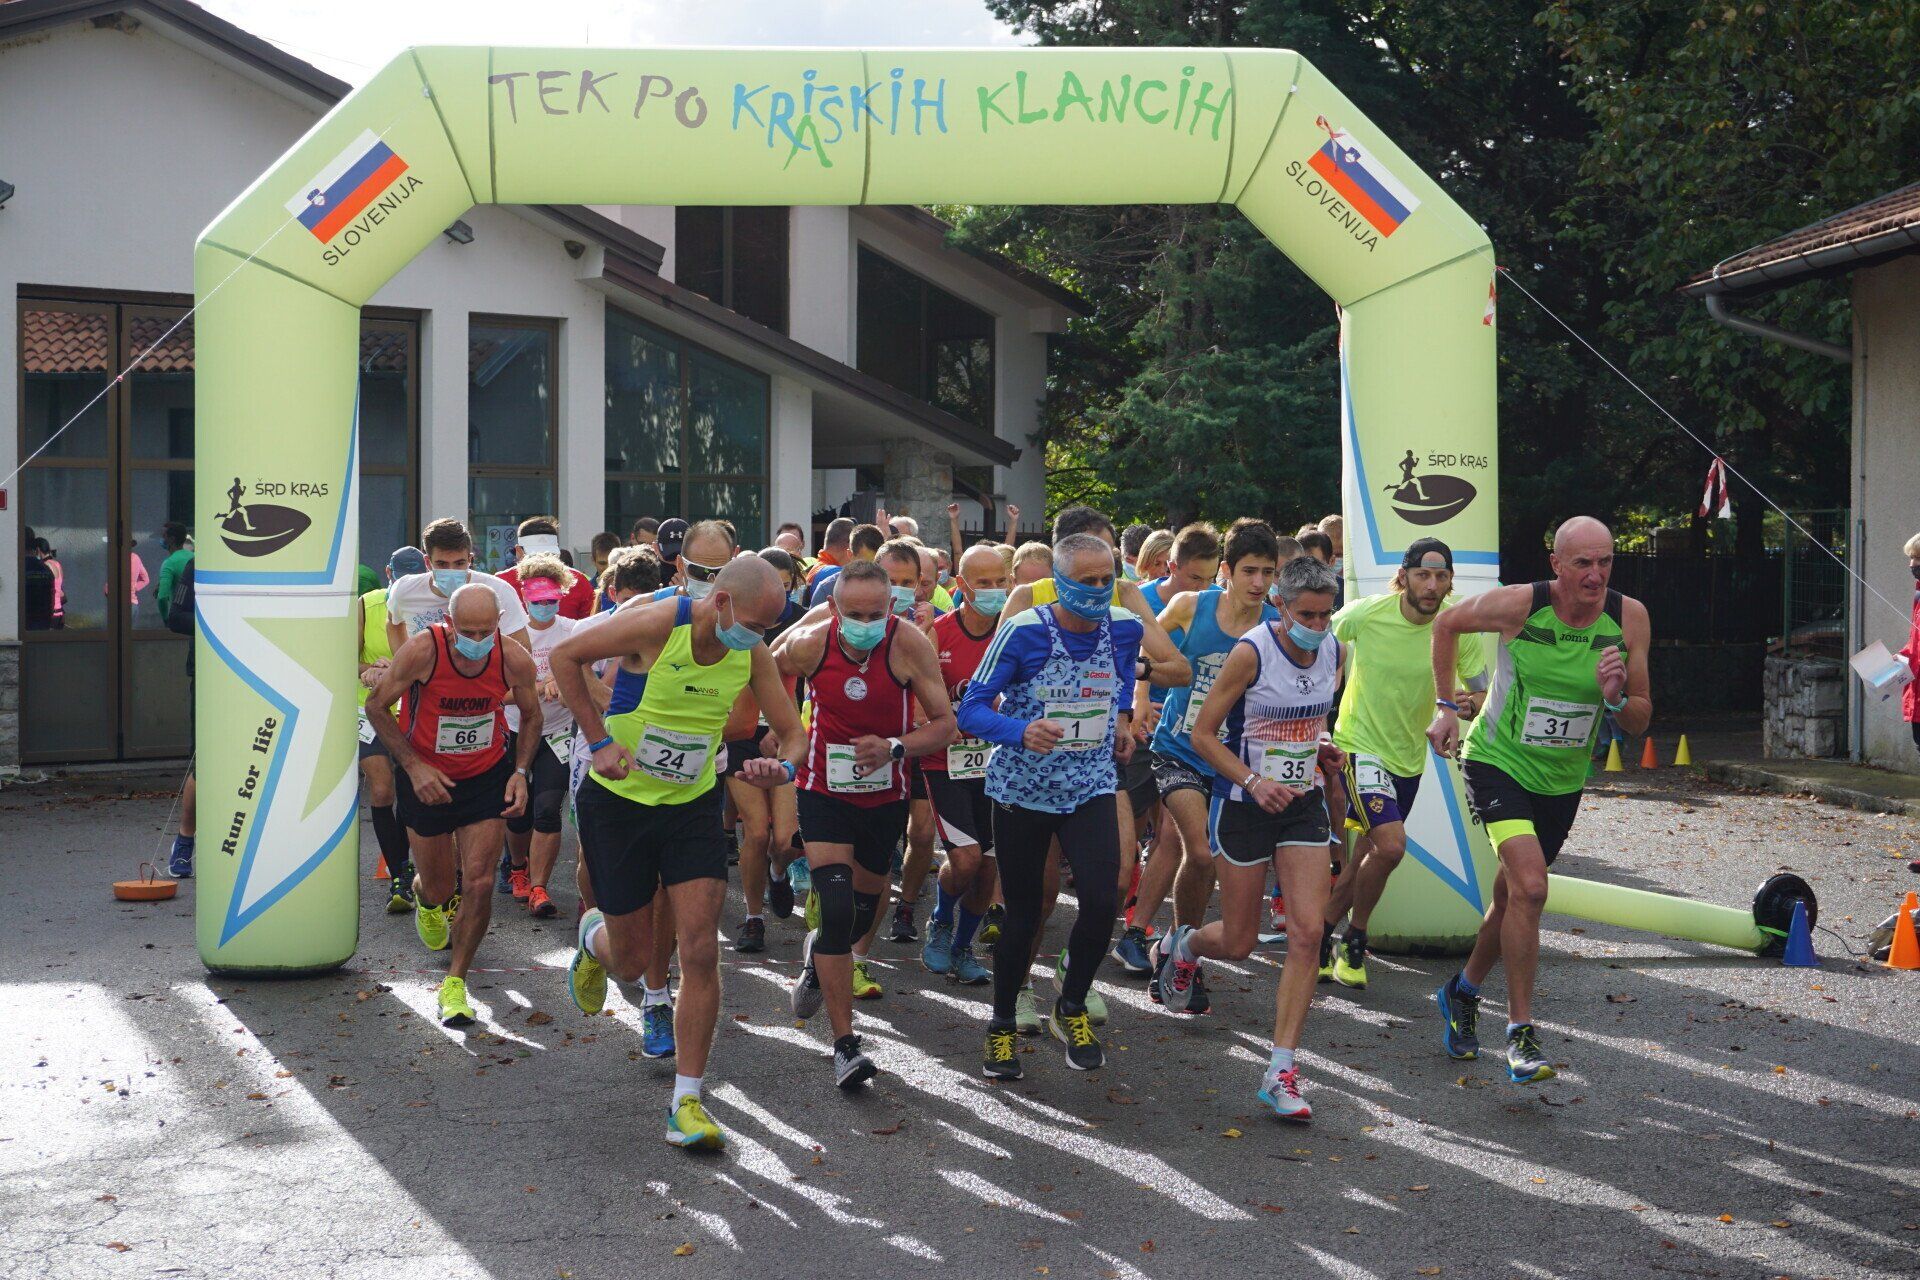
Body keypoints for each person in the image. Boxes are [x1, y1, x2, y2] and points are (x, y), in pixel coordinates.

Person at [553, 554, 802, 1151]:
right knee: (632, 962)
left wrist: (783, 767)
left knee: (700, 949)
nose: (758, 637)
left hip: (691, 806)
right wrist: (599, 739)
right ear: (722, 601)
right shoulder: (660, 624)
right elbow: (565, 656)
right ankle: (593, 935)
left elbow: (793, 732)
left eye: (768, 628)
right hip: (620, 803)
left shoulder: (752, 653)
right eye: (753, 625)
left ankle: (686, 1101)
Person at [1428, 517, 1651, 1084]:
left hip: (1562, 780)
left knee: (1511, 898)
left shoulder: (1629, 617)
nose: (1596, 575)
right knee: (1530, 887)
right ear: (1556, 564)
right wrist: (1446, 707)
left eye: (1605, 562)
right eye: (1583, 563)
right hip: (1497, 761)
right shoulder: (1521, 606)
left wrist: (1616, 697)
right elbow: (1447, 623)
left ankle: (1462, 991)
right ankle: (1520, 1033)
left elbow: (1640, 717)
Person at [959, 532, 1145, 1079]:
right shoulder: (1024, 631)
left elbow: (1121, 685)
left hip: (1090, 786)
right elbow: (971, 710)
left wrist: (1120, 723)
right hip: (1023, 791)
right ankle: (1000, 1026)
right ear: (1058, 583)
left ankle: (1072, 1005)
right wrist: (1020, 731)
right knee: (1023, 916)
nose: (1098, 589)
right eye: (1086, 581)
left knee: (1102, 901)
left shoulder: (1125, 628)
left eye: (1106, 579)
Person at [773, 560, 955, 1087]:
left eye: (876, 614)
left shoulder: (908, 644)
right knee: (834, 906)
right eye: (855, 614)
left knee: (861, 908)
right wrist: (784, 726)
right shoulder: (811, 642)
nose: (866, 624)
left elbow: (946, 724)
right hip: (822, 790)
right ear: (833, 609)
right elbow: (770, 665)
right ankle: (845, 1044)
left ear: (891, 608)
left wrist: (895, 747)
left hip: (885, 795)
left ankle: (819, 960)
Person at [1178, 554, 1346, 1120]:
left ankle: (1282, 1068)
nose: (1317, 626)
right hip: (1243, 804)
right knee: (1239, 942)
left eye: (1325, 615)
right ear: (1280, 605)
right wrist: (1253, 781)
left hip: (1302, 805)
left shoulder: (1335, 650)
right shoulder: (1251, 652)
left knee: (1307, 933)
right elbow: (1203, 735)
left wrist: (1321, 748)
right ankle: (1182, 947)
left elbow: (1311, 720)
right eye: (1307, 615)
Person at [363, 584, 542, 1027]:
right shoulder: (424, 651)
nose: (477, 640)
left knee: (479, 882)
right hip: (426, 777)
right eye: (468, 631)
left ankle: (455, 982)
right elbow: (377, 706)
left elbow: (532, 714)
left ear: (498, 624)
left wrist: (520, 771)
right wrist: (412, 766)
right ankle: (427, 898)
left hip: (484, 776)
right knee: (441, 888)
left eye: (486, 631)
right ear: (449, 622)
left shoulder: (512, 657)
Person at [1318, 538, 1486, 988]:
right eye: (1422, 575)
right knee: (1391, 847)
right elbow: (1314, 642)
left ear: (1450, 582)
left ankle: (1320, 935)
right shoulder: (1366, 613)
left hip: (1408, 760)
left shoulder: (1457, 628)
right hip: (1358, 745)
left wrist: (1466, 706)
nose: (1431, 585)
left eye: (1441, 577)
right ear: (1404, 576)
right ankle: (1356, 939)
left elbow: (1480, 692)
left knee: (1370, 854)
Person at [1141, 521, 1282, 1015]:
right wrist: (1139, 697)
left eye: (1268, 572)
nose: (1258, 582)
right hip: (1178, 749)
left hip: (1233, 761)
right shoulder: (1191, 606)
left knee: (1214, 861)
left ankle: (1178, 949)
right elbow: (1146, 648)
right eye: (1249, 571)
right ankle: (1186, 953)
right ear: (1227, 570)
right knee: (1198, 851)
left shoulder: (1276, 626)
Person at [1115, 522, 1223, 973]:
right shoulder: (1142, 600)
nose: (1202, 588)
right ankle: (1111, 923)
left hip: (1188, 739)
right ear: (1170, 566)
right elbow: (1128, 659)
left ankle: (1142, 935)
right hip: (1140, 730)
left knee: (1175, 838)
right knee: (1127, 845)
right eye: (1194, 577)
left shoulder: (1218, 605)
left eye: (1210, 579)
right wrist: (1138, 704)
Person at [919, 543, 1010, 984]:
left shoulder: (1013, 633)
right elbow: (919, 702)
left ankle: (962, 946)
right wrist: (946, 717)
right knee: (967, 859)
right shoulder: (937, 633)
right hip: (947, 762)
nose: (994, 590)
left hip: (997, 764)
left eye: (1000, 581)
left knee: (988, 866)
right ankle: (940, 921)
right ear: (961, 585)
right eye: (983, 583)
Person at [502, 556, 578, 917]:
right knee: (517, 811)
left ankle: (538, 887)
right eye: (538, 601)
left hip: (558, 733)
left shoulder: (573, 631)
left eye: (552, 600)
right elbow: (496, 693)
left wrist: (563, 681)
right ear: (524, 598)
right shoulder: (510, 635)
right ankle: (517, 868)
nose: (545, 607)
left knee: (547, 811)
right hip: (514, 730)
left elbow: (588, 675)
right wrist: (534, 688)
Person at [357, 546, 426, 913]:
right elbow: (346, 659)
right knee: (382, 790)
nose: (405, 587)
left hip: (415, 709)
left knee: (411, 793)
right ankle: (399, 874)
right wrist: (370, 669)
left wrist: (399, 668)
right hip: (371, 709)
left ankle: (409, 866)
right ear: (388, 574)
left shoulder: (432, 606)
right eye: (401, 579)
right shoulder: (367, 604)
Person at [386, 519, 530, 654]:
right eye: (442, 564)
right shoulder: (405, 589)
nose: (451, 570)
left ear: (470, 560)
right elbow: (393, 623)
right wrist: (404, 662)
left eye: (459, 563)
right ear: (428, 563)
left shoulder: (498, 590)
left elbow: (522, 649)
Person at [808, 523, 885, 607]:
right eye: (865, 564)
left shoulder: (890, 586)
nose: (871, 571)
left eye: (877, 564)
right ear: (850, 555)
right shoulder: (827, 588)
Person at [156, 522, 194, 630]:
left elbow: (162, 597)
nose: (162, 539)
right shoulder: (194, 557)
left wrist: (166, 620)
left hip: (181, 620)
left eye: (164, 536)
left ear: (171, 539)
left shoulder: (169, 563)